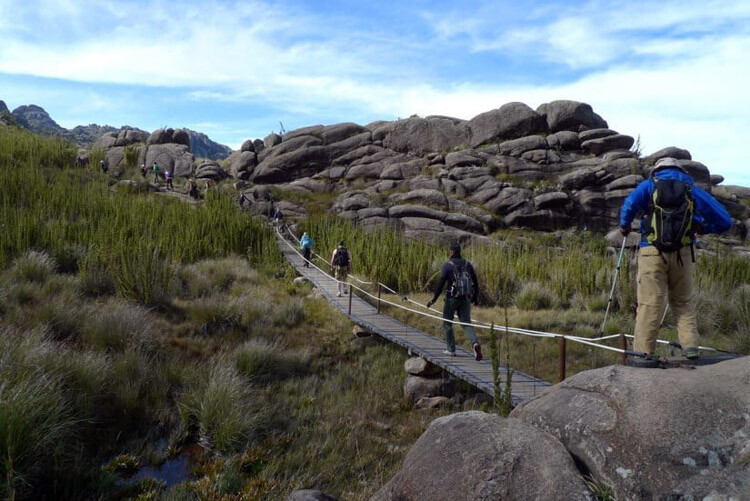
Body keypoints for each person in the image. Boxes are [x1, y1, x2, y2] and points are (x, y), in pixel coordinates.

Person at [619, 157, 732, 360]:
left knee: (650, 303)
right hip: (683, 253)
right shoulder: (691, 190)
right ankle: (690, 347)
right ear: (680, 171)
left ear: (657, 170)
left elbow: (629, 205)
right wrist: (704, 229)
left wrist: (624, 226)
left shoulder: (648, 186)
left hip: (651, 251)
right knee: (682, 301)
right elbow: (725, 220)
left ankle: (643, 354)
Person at [426, 242, 482, 360]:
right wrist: (475, 299)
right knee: (466, 323)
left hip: (451, 299)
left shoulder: (447, 265)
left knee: (447, 324)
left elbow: (440, 285)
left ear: (451, 252)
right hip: (465, 299)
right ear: (460, 252)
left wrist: (433, 300)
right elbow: (476, 283)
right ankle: (475, 343)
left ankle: (451, 349)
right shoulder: (468, 264)